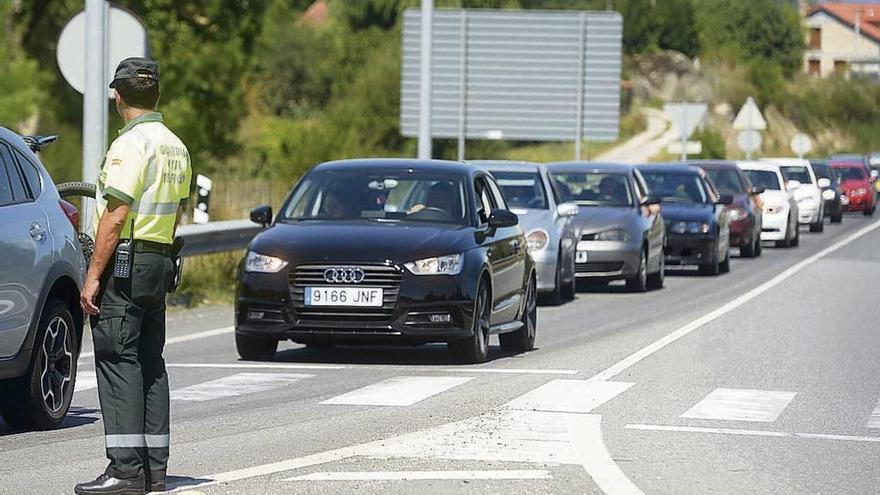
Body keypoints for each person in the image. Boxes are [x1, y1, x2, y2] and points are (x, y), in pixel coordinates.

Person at [76, 57, 192, 495]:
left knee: (116, 360)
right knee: (150, 362)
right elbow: (174, 213)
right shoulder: (175, 144)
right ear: (155, 94)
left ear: (118, 95)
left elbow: (116, 212)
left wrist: (92, 277)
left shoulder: (131, 145)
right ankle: (154, 471)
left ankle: (125, 471)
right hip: (158, 261)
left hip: (125, 263)